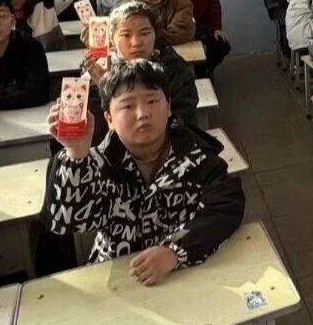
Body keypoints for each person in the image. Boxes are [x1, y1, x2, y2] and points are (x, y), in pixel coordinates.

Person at [45, 60, 245, 280]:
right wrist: (76, 153)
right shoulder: (98, 164)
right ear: (109, 119)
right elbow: (68, 221)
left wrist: (174, 250)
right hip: (121, 277)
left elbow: (225, 208)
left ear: (168, 107)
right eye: (127, 106)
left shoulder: (198, 158)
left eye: (152, 101)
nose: (142, 113)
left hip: (183, 273)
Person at [82, 1, 198, 130]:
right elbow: (96, 131)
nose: (136, 42)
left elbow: (184, 124)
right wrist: (105, 86)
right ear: (111, 39)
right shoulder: (96, 72)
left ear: (155, 34)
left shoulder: (174, 69)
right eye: (126, 35)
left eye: (144, 33)